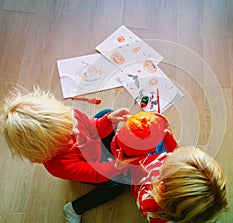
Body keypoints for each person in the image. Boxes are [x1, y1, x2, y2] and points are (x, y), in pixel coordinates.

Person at [0, 87, 137, 223]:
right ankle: (75, 208)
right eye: (67, 139)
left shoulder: (71, 119)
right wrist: (115, 167)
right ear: (47, 152)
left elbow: (94, 127)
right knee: (118, 184)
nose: (76, 131)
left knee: (107, 113)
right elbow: (96, 174)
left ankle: (112, 154)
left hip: (95, 149)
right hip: (92, 168)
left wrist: (108, 120)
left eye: (71, 125)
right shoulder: (60, 166)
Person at [128, 146, 228, 223]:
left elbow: (141, 178)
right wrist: (169, 138)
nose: (168, 154)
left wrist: (133, 162)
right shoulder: (177, 185)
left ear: (162, 186)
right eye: (174, 154)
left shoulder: (149, 204)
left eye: (169, 158)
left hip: (141, 177)